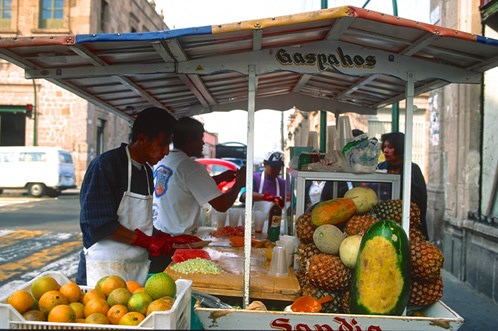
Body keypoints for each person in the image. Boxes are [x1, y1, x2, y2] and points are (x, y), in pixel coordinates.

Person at [76, 107, 177, 286]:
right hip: (102, 270)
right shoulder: (106, 166)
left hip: (135, 270)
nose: (166, 152)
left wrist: (162, 237)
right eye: (162, 144)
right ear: (142, 138)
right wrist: (145, 241)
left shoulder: (146, 171)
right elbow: (99, 224)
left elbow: (138, 221)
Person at [151, 117, 246, 270]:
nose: (204, 143)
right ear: (189, 139)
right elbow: (222, 206)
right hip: (178, 243)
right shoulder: (191, 167)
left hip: (157, 239)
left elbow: (183, 186)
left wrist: (219, 178)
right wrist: (240, 183)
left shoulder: (164, 160)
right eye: (201, 138)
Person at [377, 131, 429, 239]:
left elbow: (418, 201)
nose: (386, 150)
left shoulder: (412, 170)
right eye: (385, 146)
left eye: (390, 147)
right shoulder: (381, 167)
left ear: (400, 148)